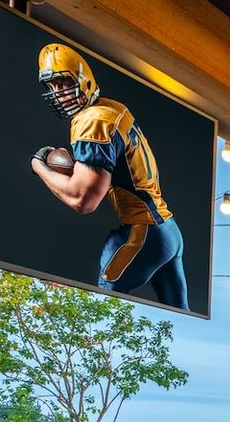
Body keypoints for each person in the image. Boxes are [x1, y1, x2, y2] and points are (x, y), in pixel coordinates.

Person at [29, 42, 189, 310]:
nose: (58, 94)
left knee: (105, 301)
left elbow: (83, 201)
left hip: (145, 232)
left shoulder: (92, 122)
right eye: (51, 86)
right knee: (181, 316)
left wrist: (39, 166)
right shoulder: (111, 108)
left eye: (64, 83)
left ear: (83, 80)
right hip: (169, 230)